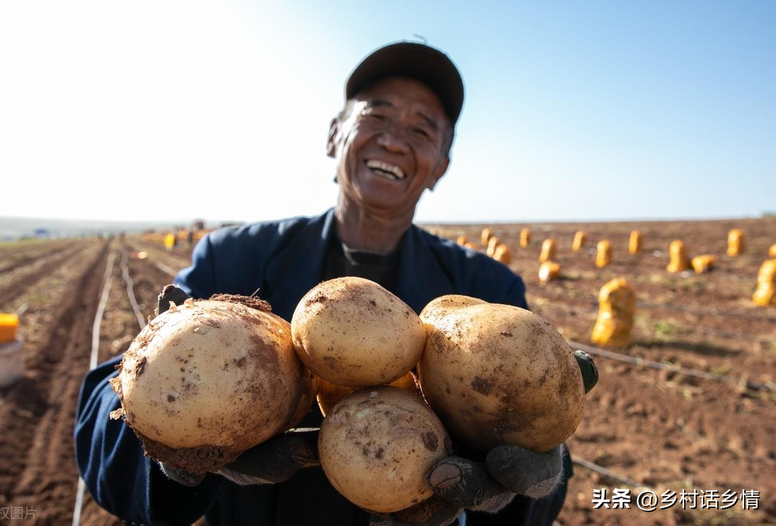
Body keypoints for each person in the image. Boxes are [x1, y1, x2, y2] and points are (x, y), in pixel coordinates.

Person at [75, 41, 597, 526]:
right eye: (377, 115)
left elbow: (525, 445)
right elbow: (105, 408)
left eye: (422, 131)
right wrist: (176, 455)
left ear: (440, 166)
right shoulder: (234, 257)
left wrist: (536, 485)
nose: (394, 139)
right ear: (333, 136)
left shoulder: (486, 290)